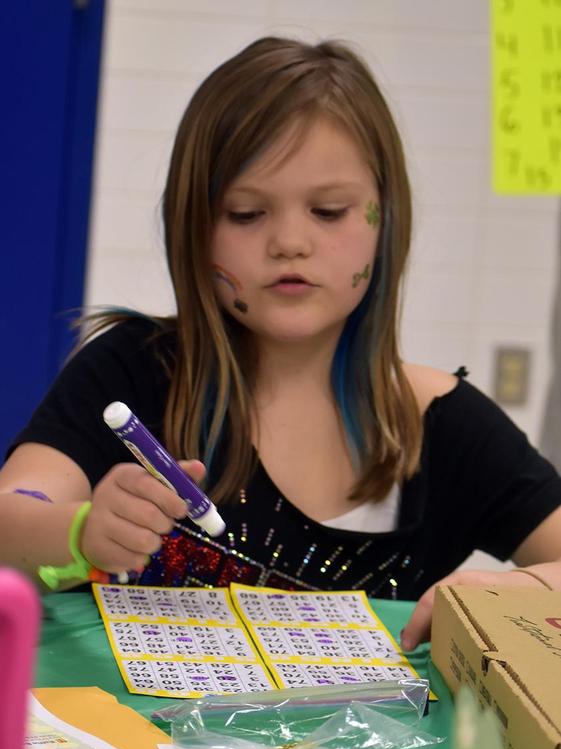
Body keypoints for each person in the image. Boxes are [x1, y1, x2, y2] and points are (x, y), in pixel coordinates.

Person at [1, 37, 560, 652]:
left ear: (385, 221)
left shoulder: (444, 426)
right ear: (194, 228)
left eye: (328, 211)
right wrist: (78, 533)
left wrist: (509, 592)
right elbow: (12, 516)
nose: (289, 242)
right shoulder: (134, 371)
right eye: (246, 213)